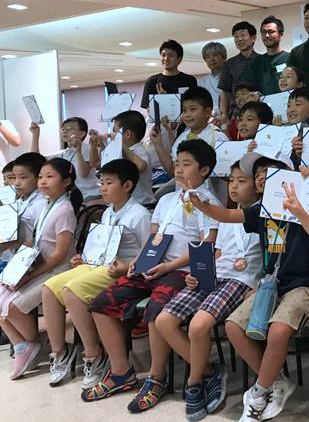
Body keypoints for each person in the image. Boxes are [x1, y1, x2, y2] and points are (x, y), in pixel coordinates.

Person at [83, 140, 221, 410]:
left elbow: (208, 246)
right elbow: (154, 238)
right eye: (177, 163)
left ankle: (157, 378)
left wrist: (169, 267)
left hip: (181, 272)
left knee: (156, 311)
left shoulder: (208, 203)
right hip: (153, 268)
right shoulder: (166, 199)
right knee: (101, 303)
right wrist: (138, 260)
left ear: (204, 170)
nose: (178, 169)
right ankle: (121, 372)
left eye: (186, 164)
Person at [188, 159, 309, 422]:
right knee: (233, 326)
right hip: (270, 285)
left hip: (303, 286)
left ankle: (259, 393)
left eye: (270, 173)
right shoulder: (260, 210)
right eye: (259, 174)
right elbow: (228, 216)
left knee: (278, 330)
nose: (262, 177)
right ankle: (275, 382)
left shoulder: (306, 204)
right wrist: (202, 205)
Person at [156, 160, 262, 421]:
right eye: (231, 181)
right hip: (215, 276)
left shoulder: (264, 216)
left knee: (198, 326)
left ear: (259, 186)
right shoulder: (224, 217)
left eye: (241, 181)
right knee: (164, 321)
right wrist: (197, 273)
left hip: (241, 280)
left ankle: (193, 383)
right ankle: (209, 371)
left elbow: (269, 260)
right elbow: (216, 254)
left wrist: (258, 285)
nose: (233, 186)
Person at [41, 159, 150, 388]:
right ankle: (59, 352)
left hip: (121, 270)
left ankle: (94, 354)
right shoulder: (108, 212)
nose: (103, 188)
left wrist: (126, 266)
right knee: (50, 288)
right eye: (101, 183)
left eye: (109, 183)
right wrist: (84, 257)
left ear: (127, 185)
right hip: (98, 265)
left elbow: (147, 253)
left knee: (72, 290)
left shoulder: (139, 214)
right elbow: (100, 245)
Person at [0, 158, 82, 379]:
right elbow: (36, 242)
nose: (43, 181)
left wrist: (29, 276)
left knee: (13, 307)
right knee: (1, 291)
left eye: (49, 177)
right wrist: (14, 255)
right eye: (41, 177)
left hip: (58, 269)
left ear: (66, 181)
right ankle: (23, 345)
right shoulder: (47, 205)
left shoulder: (64, 210)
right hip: (39, 265)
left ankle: (32, 344)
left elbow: (60, 255)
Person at [150, 87, 226, 178]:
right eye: (184, 110)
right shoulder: (182, 137)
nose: (187, 114)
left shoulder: (218, 137)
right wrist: (157, 144)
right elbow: (172, 171)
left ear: (207, 112)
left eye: (192, 109)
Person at [92, 110, 155, 205]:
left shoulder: (139, 151)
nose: (111, 135)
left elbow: (141, 166)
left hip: (141, 204)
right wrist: (94, 145)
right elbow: (95, 163)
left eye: (115, 131)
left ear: (128, 134)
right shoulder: (119, 151)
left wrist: (120, 143)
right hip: (122, 204)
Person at [31, 116, 98, 200]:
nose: (65, 131)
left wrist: (78, 152)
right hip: (70, 197)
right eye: (63, 129)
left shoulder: (88, 149)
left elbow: (83, 174)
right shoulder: (63, 153)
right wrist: (35, 134)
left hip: (89, 195)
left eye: (69, 128)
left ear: (82, 133)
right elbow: (35, 159)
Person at [0, 153, 48, 260]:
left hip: (36, 261)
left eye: (23, 177)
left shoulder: (42, 204)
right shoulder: (20, 200)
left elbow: (46, 243)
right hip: (16, 258)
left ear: (39, 177)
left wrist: (10, 245)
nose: (16, 183)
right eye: (14, 177)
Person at [140, 39, 198, 109]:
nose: (166, 59)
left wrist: (167, 100)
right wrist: (162, 100)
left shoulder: (189, 80)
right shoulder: (152, 81)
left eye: (171, 55)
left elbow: (194, 106)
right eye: (163, 55)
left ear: (179, 59)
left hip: (185, 116)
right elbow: (149, 110)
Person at [219, 21, 259, 119]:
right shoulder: (229, 63)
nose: (239, 39)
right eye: (236, 36)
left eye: (242, 35)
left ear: (253, 38)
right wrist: (223, 115)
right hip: (236, 113)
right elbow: (225, 92)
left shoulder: (262, 60)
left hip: (259, 109)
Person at [243, 16, 290, 98]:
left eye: (271, 32)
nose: (267, 35)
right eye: (263, 32)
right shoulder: (257, 63)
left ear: (280, 35)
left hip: (287, 102)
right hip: (264, 104)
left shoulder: (290, 58)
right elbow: (252, 89)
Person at [197, 41, 227, 112]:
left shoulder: (234, 77)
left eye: (215, 55)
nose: (211, 59)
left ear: (224, 57)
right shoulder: (200, 82)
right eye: (207, 57)